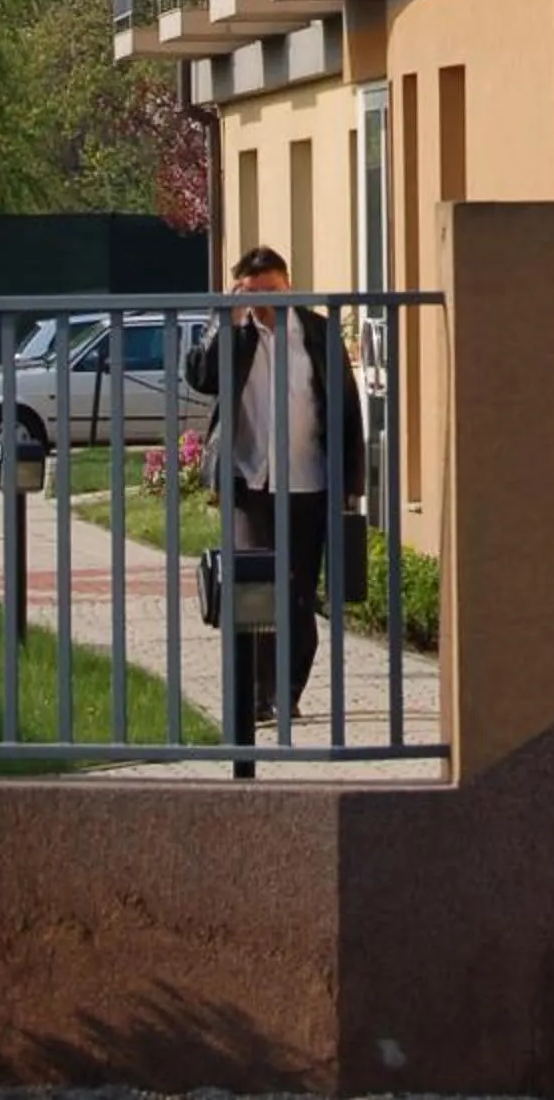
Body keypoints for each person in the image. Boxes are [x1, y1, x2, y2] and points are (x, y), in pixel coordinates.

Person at [184, 244, 366, 769]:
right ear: (241, 290)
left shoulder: (317, 333)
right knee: (256, 592)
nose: (266, 302)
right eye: (254, 292)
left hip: (310, 482)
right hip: (251, 482)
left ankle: (286, 690)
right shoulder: (235, 337)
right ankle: (258, 696)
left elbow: (346, 407)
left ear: (291, 287)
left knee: (298, 595)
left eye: (274, 292)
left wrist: (351, 480)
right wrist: (227, 320)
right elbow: (198, 376)